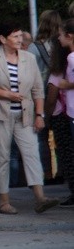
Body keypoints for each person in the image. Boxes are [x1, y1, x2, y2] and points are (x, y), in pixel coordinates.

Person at [0, 21, 59, 214]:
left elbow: (37, 89)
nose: (20, 40)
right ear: (3, 39)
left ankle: (40, 197)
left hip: (25, 114)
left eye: (20, 36)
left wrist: (39, 115)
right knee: (1, 157)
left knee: (32, 153)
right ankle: (3, 201)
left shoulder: (28, 57)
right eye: (15, 36)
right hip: (0, 114)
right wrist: (6, 95)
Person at [28, 10, 63, 181]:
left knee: (41, 139)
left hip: (39, 97)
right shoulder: (61, 45)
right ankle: (63, 171)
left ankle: (47, 174)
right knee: (61, 137)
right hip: (60, 97)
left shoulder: (34, 47)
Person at [46, 19, 74, 206]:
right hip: (68, 114)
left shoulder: (64, 63)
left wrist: (45, 116)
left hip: (63, 115)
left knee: (66, 154)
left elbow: (51, 95)